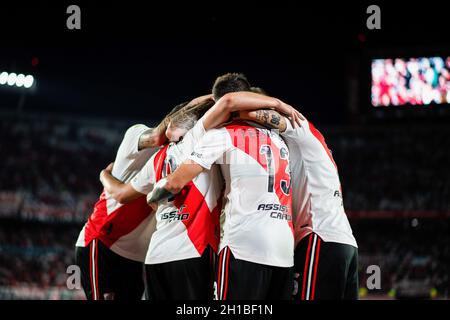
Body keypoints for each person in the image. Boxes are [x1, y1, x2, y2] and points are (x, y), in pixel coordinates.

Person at [147, 73, 301, 300]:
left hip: (244, 244)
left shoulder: (222, 135)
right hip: (284, 248)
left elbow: (174, 182)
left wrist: (153, 196)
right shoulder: (282, 141)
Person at [74, 98, 202, 300]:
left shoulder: (188, 158)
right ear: (172, 122)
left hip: (136, 257)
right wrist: (215, 100)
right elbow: (157, 136)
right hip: (102, 241)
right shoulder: (138, 135)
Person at [235, 93, 359, 300]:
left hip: (319, 237)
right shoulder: (315, 145)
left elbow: (250, 112)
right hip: (345, 242)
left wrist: (227, 112)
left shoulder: (297, 125)